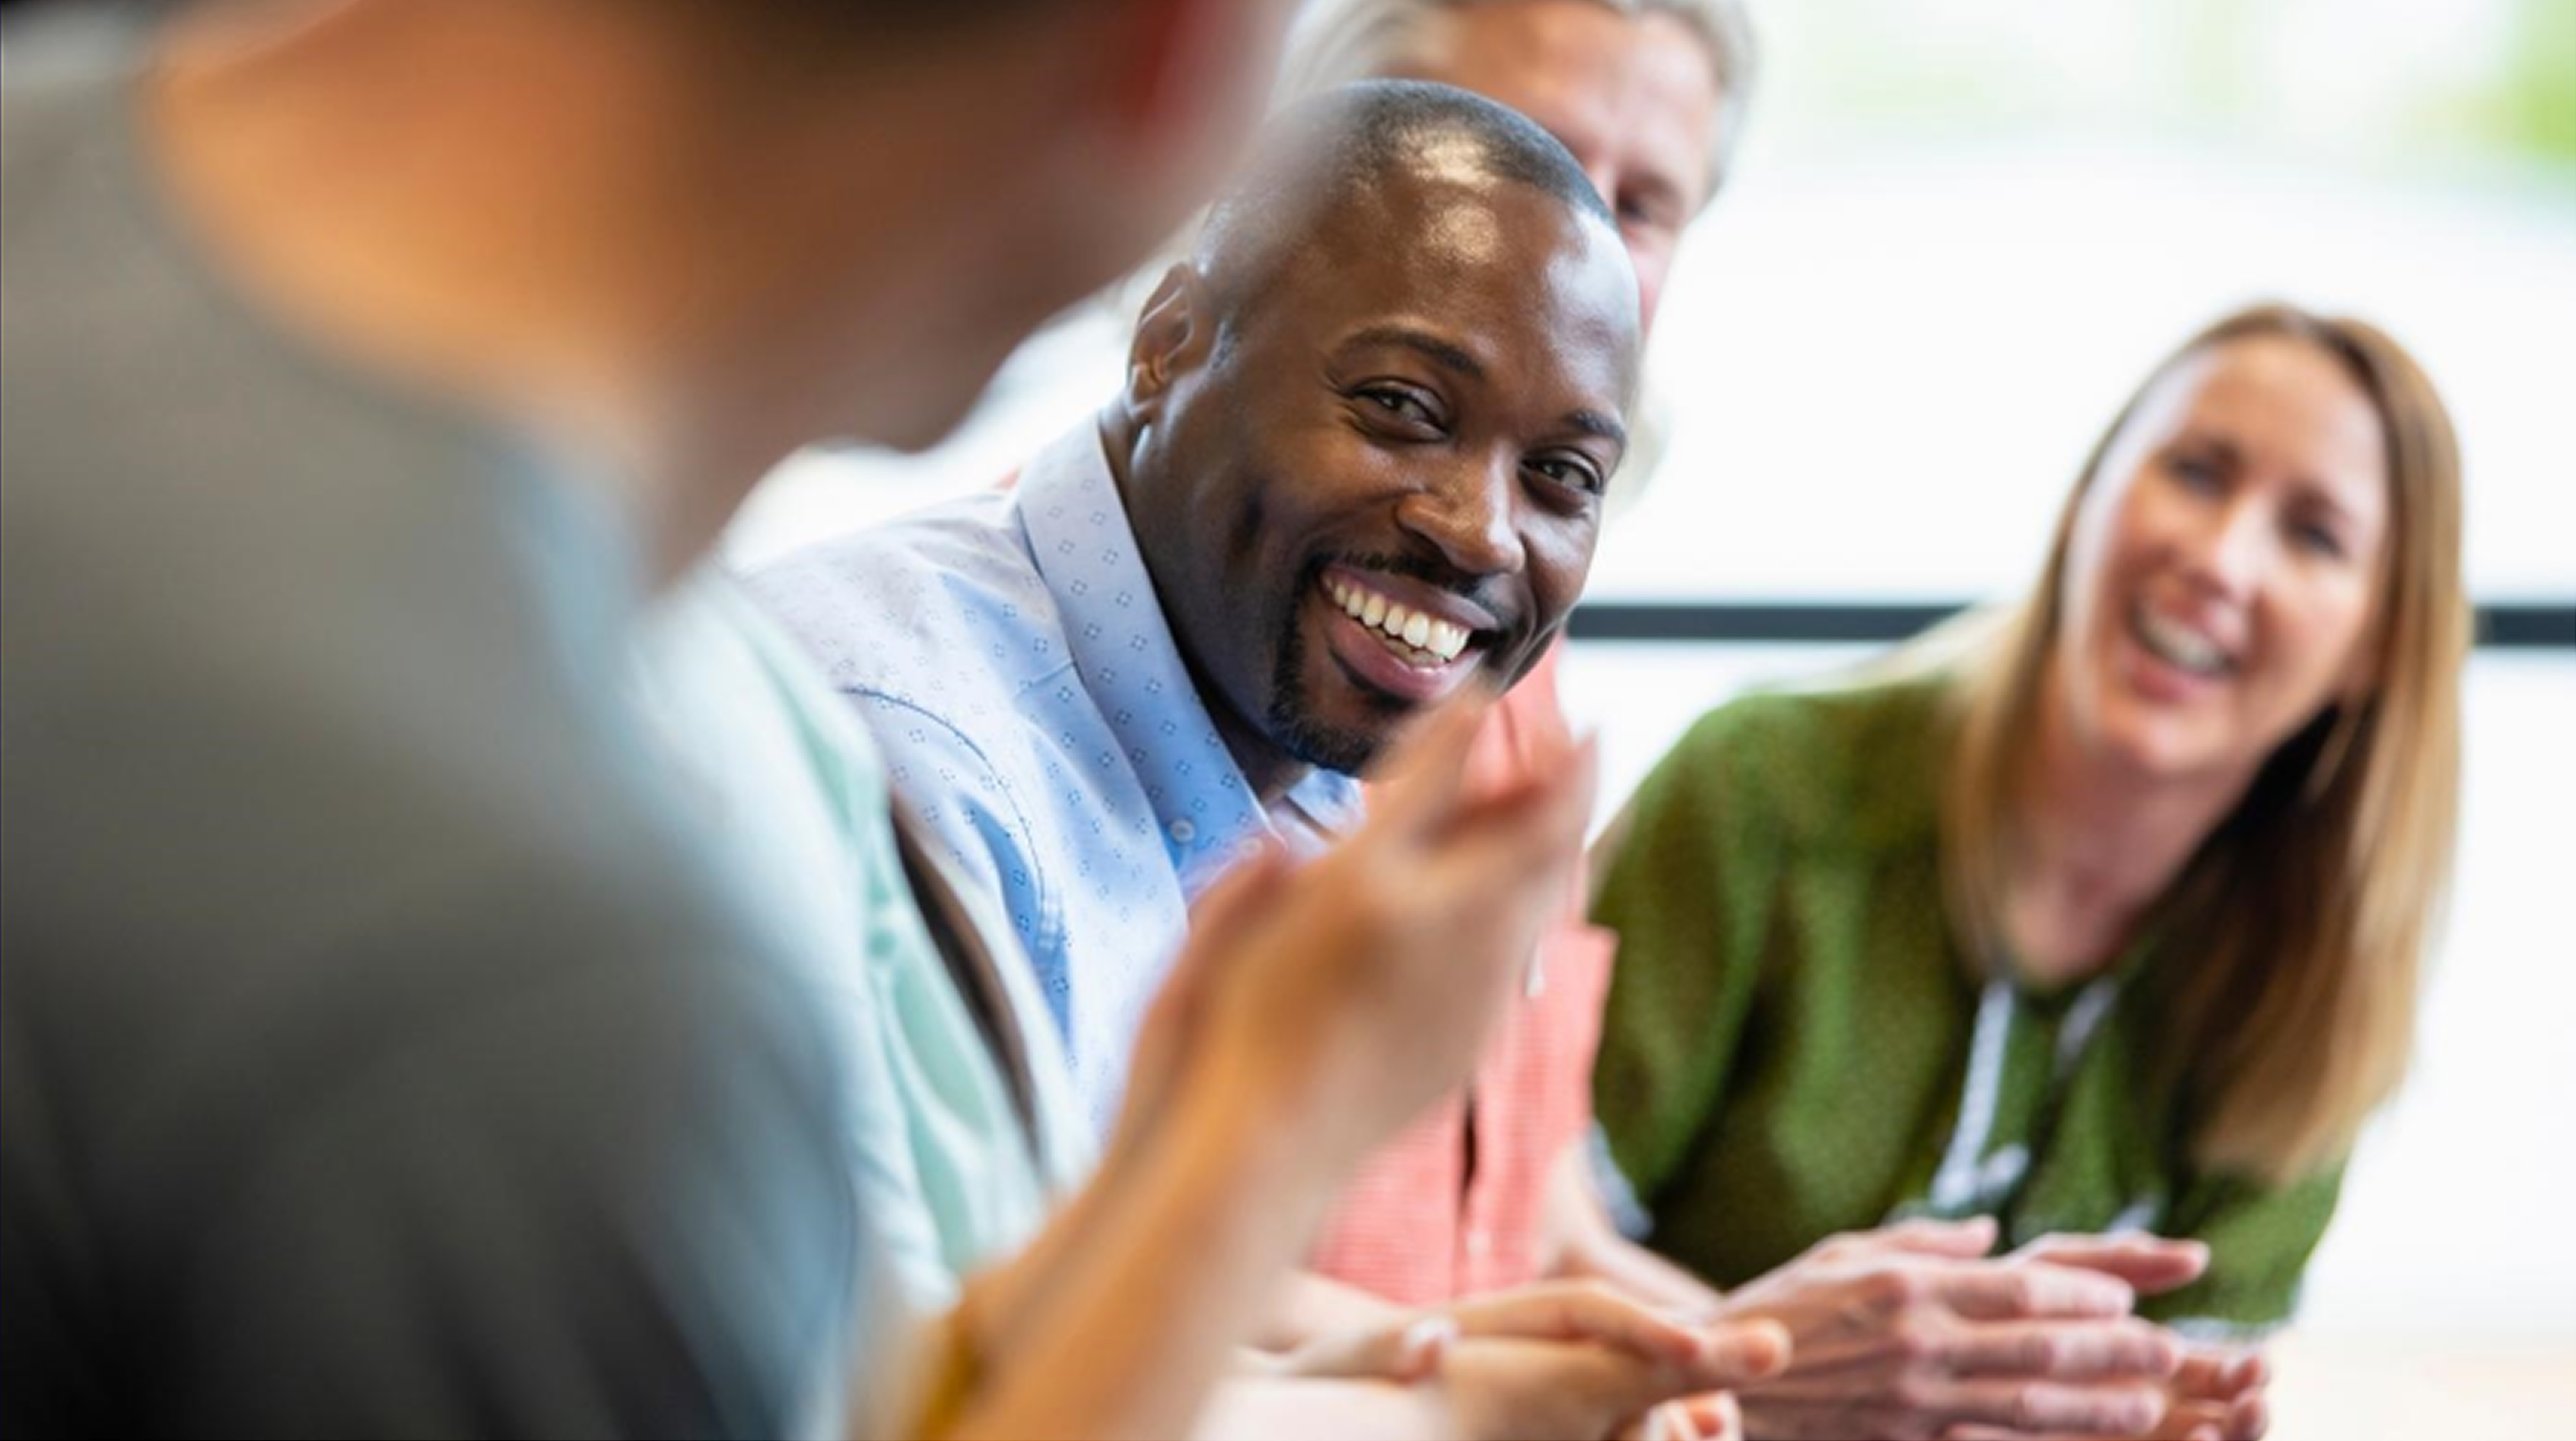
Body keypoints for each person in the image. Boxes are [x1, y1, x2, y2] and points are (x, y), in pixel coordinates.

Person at [0, 0, 1677, 1435]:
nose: (1471, 526)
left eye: (1558, 472)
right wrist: (1270, 1120)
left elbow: (875, 1365)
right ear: (1171, 65)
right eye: (1401, 406)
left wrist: (1401, 1352)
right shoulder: (567, 948)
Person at [1590, 301, 2465, 1440]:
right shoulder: (1759, 792)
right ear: (2085, 499)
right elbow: (1510, 1242)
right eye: (2196, 471)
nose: (2220, 558)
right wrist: (1794, 1377)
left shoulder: (2313, 995)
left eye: (2314, 535)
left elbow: (2176, 1411)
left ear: (2375, 649)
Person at [1264, 0, 1753, 1311]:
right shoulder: (1216, 633)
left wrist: (1752, 1357)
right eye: (1520, 149)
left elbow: (1529, 1203)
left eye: (1644, 205)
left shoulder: (1504, 624)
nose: (1572, 236)